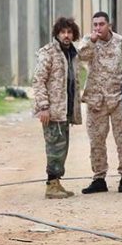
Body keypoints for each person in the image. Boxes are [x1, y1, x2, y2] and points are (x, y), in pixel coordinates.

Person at [78, 11, 122, 194]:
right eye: (95, 25)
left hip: (118, 98)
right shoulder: (89, 42)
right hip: (96, 100)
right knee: (96, 140)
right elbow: (80, 56)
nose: (98, 28)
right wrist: (92, 41)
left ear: (109, 25)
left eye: (101, 24)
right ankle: (99, 178)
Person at [32, 17, 82, 199]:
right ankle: (51, 185)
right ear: (57, 34)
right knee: (54, 147)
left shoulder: (72, 53)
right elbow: (38, 80)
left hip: (65, 109)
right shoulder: (49, 53)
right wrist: (43, 107)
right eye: (63, 32)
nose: (66, 35)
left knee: (62, 147)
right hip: (52, 110)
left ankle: (56, 182)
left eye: (69, 32)